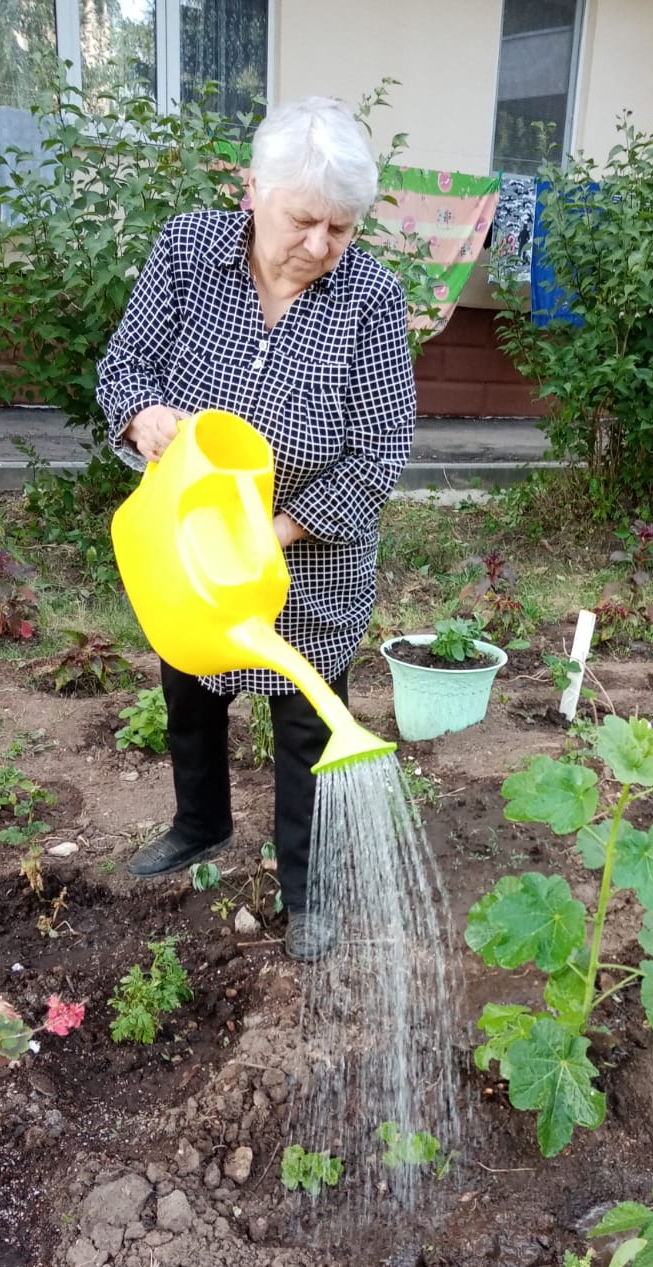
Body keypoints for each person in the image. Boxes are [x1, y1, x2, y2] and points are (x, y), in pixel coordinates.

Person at [97, 96, 416, 961]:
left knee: (309, 726)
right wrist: (143, 420)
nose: (319, 247)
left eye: (341, 230)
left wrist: (276, 531)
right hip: (195, 559)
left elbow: (383, 446)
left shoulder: (373, 300)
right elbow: (122, 367)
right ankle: (198, 826)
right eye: (303, 220)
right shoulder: (189, 251)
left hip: (309, 563)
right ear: (252, 190)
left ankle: (307, 890)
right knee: (191, 695)